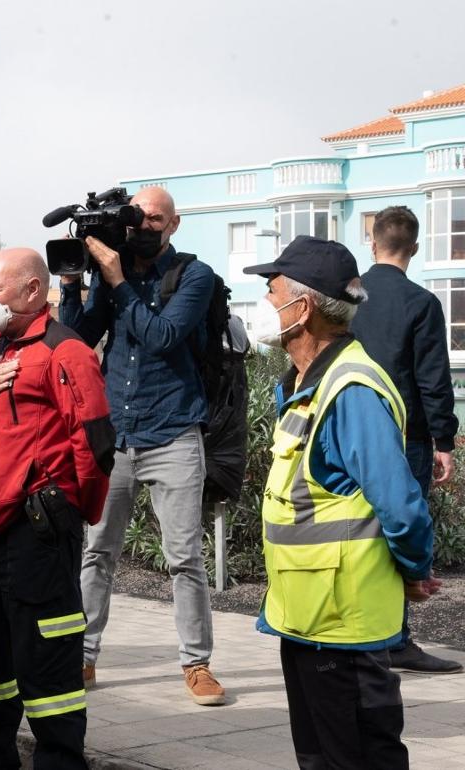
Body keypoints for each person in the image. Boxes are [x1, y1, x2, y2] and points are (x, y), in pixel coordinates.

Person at [242, 236, 436, 770]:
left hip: (344, 628)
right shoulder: (306, 382)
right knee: (322, 758)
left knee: (357, 758)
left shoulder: (350, 390)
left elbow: (400, 504)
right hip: (309, 620)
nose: (264, 303)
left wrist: (414, 569)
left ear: (301, 309)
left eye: (272, 290)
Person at [0, 248, 114, 769]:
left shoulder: (64, 351)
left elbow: (95, 447)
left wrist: (69, 517)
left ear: (34, 290)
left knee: (49, 675)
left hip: (38, 537)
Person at [58, 186, 226, 705]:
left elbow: (163, 336)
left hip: (173, 431)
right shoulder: (114, 274)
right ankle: (81, 658)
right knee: (96, 553)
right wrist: (72, 284)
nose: (144, 226)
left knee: (184, 559)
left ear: (173, 224)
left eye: (156, 218)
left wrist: (115, 279)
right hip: (117, 434)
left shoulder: (194, 277)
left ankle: (196, 665)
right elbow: (75, 338)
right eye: (138, 218)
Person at [351, 206, 463, 675]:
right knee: (400, 529)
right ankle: (395, 640)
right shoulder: (421, 303)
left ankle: (356, 636)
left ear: (372, 243)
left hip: (350, 431)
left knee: (354, 530)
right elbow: (433, 378)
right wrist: (445, 441)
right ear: (414, 249)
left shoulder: (346, 295)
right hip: (407, 435)